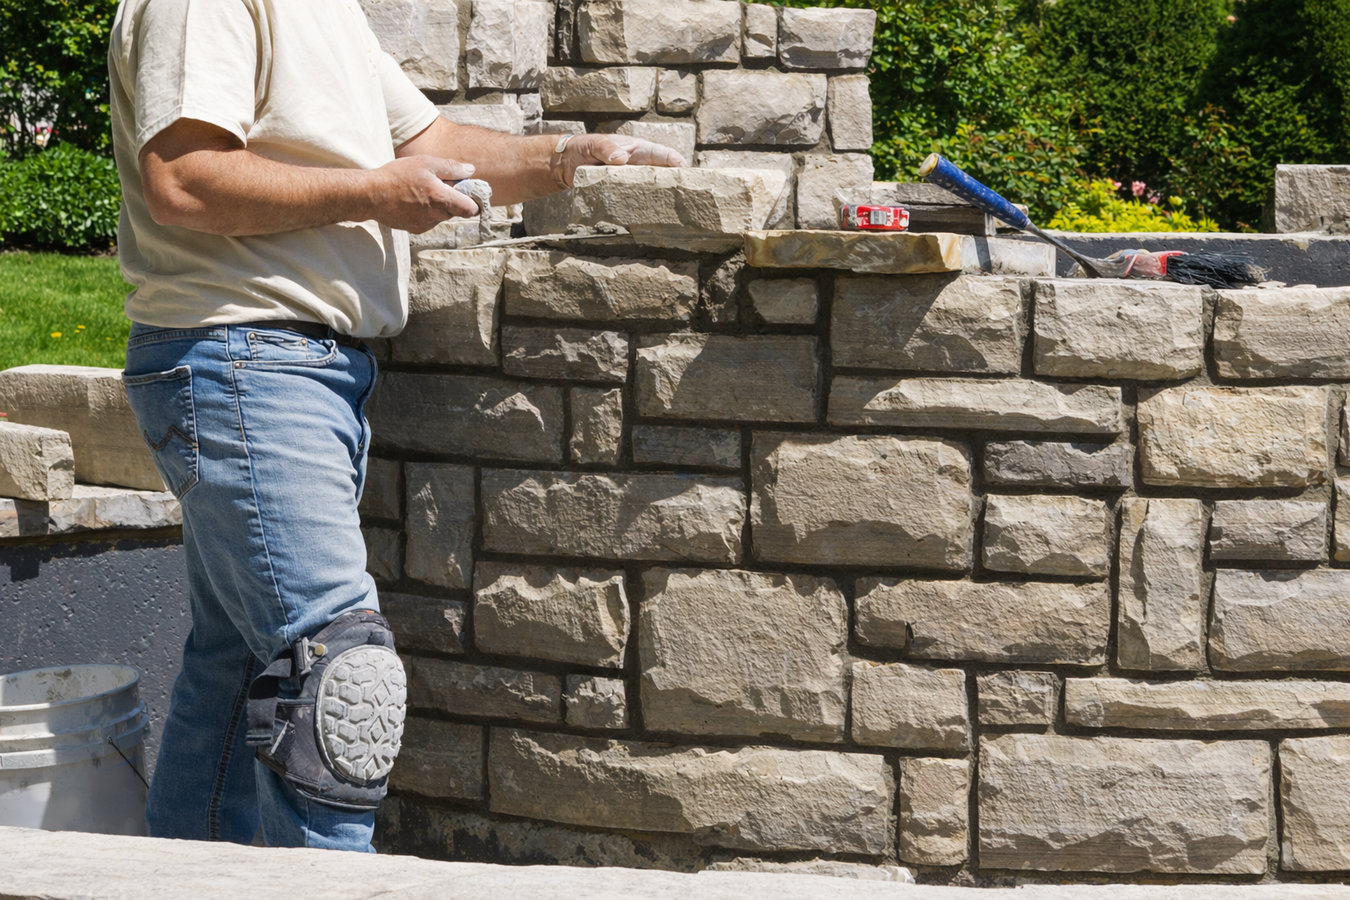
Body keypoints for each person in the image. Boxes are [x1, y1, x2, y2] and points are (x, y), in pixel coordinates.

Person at [107, 0, 684, 852]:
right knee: (338, 678)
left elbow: (424, 142)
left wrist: (573, 157)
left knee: (237, 675)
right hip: (243, 356)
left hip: (286, 367)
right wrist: (374, 194)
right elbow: (184, 178)